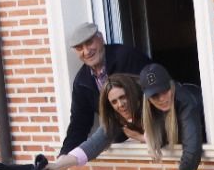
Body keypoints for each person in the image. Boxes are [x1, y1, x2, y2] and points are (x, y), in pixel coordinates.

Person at [47, 64, 208, 170]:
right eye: (114, 102)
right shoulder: (127, 112)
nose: (162, 98)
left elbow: (192, 149)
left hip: (204, 121)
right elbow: (94, 144)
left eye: (123, 97)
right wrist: (57, 165)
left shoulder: (182, 100)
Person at [58, 22, 149, 157]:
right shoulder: (81, 81)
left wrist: (151, 132)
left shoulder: (127, 56)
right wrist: (66, 152)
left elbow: (155, 85)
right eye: (79, 48)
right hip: (122, 137)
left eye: (89, 43)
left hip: (151, 131)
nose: (86, 51)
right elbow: (79, 122)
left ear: (101, 39)